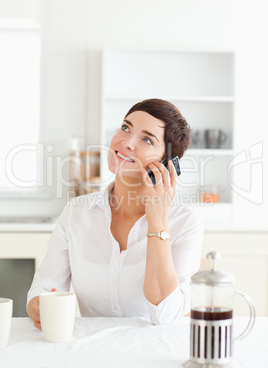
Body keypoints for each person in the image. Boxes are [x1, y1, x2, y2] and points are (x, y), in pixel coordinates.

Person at [27, 98, 203, 329]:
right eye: (125, 127)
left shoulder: (185, 221)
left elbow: (166, 316)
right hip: (90, 350)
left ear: (167, 163)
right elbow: (44, 288)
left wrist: (157, 220)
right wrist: (39, 305)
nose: (126, 142)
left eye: (146, 139)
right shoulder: (77, 212)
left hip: (154, 352)